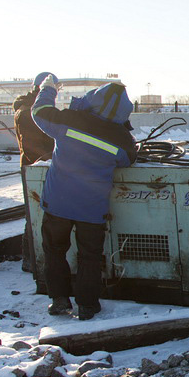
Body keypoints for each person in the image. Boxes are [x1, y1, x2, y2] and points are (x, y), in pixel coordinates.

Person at [32, 75, 137, 320]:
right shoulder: (122, 138)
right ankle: (88, 306)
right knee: (90, 256)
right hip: (92, 208)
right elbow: (128, 159)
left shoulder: (70, 120)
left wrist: (48, 89)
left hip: (58, 203)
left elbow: (40, 112)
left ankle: (59, 300)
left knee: (55, 250)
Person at [14, 73, 57, 273]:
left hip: (39, 165)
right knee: (33, 214)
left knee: (37, 212)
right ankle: (30, 259)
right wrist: (52, 157)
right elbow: (33, 145)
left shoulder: (34, 108)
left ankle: (32, 257)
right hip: (34, 166)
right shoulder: (28, 112)